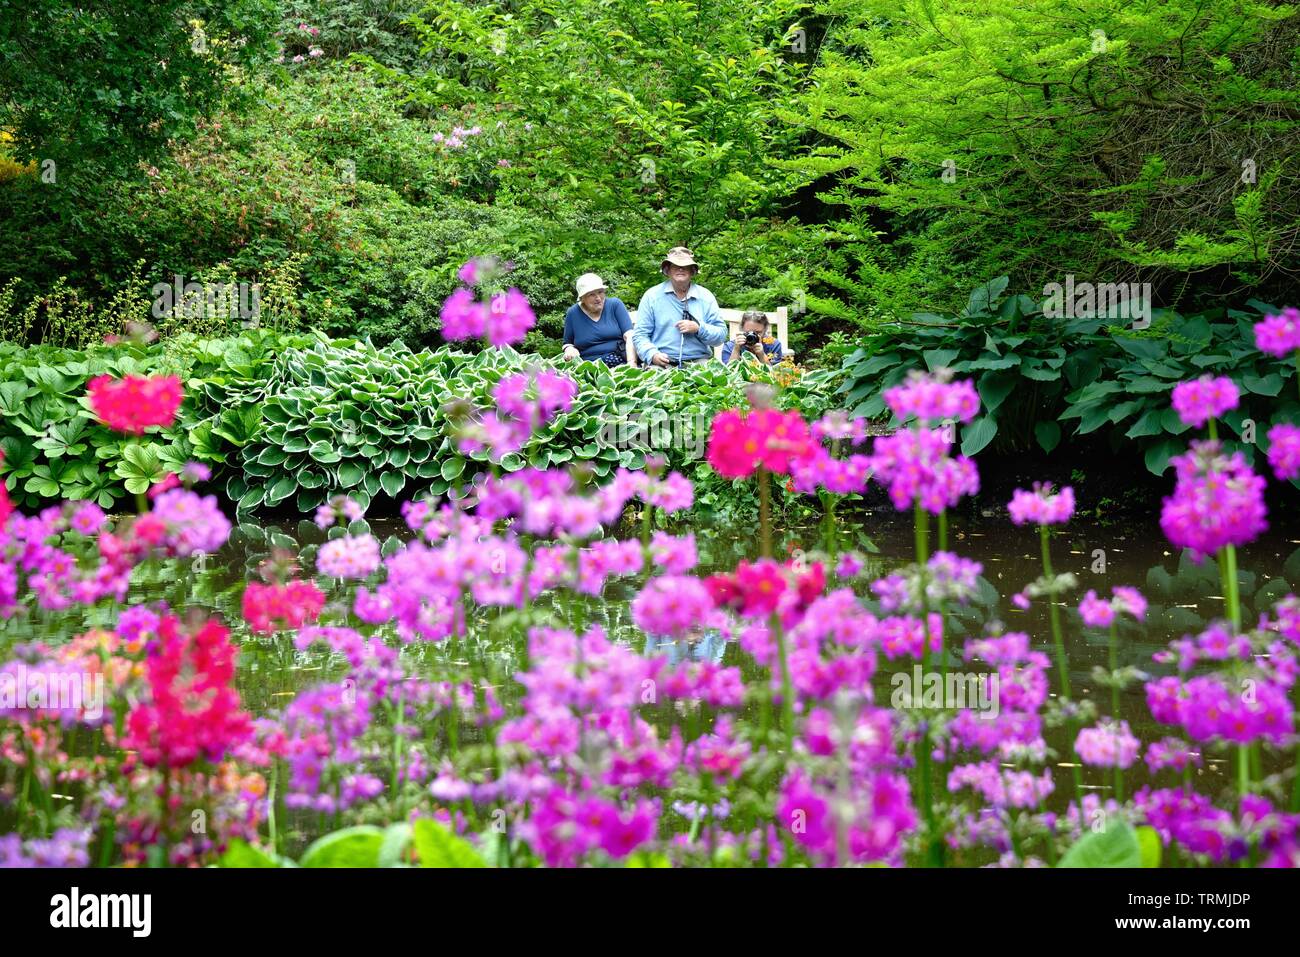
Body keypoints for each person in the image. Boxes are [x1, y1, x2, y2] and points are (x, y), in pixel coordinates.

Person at [632, 246, 728, 368]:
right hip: (662, 362)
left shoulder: (705, 296)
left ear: (692, 270)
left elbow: (720, 335)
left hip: (699, 361)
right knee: (653, 383)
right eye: (675, 265)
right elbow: (640, 334)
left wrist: (699, 328)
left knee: (714, 383)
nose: (680, 269)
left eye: (685, 266)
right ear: (667, 270)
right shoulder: (652, 296)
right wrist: (652, 355)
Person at [561, 273, 637, 367]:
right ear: (582, 298)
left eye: (600, 292)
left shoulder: (615, 305)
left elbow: (629, 336)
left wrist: (632, 362)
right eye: (591, 294)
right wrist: (570, 350)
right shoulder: (573, 313)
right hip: (587, 364)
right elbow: (567, 343)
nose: (598, 298)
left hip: (618, 359)